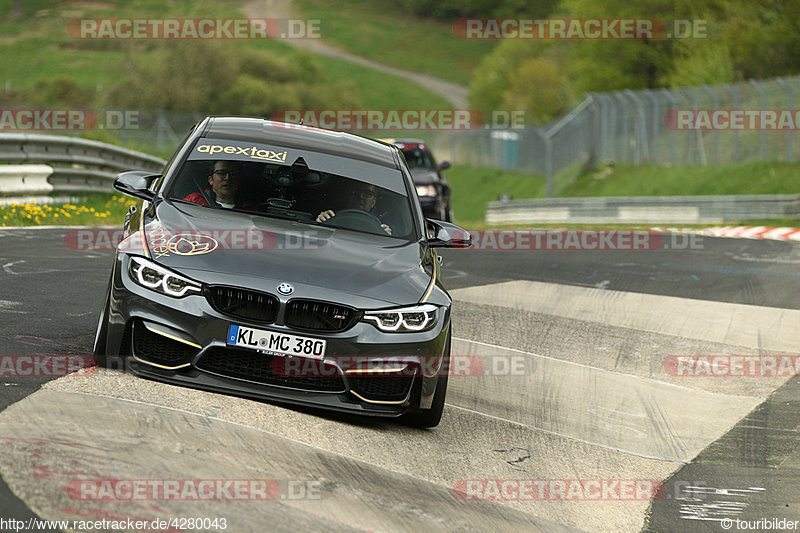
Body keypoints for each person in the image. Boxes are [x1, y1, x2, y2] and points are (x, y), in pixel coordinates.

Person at [316, 182, 392, 235]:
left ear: (373, 202)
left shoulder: (382, 225)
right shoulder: (331, 216)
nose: (361, 197)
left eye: (367, 194)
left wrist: (387, 236)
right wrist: (319, 225)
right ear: (346, 195)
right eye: (355, 192)